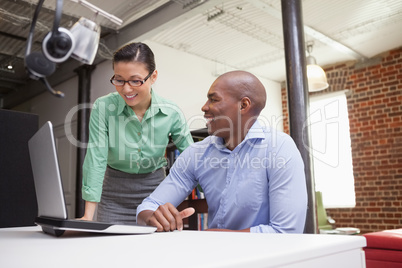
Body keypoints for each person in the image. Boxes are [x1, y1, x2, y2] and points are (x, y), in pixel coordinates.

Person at [137, 70, 308, 233]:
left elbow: (286, 231)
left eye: (214, 99)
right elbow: (148, 206)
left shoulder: (279, 149)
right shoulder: (197, 153)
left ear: (243, 105)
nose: (204, 107)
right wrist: (153, 216)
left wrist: (212, 236)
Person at [80, 42, 193, 224]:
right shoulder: (103, 107)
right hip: (114, 195)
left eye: (135, 80)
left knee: (150, 251)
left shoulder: (171, 112)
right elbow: (96, 158)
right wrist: (87, 216)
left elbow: (191, 157)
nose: (126, 89)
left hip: (156, 193)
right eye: (119, 80)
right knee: (112, 250)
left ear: (153, 76)